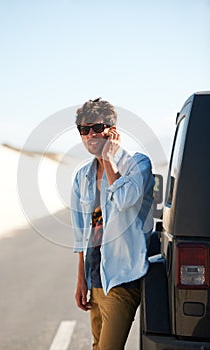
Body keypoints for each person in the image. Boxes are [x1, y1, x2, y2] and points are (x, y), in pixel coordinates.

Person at [71, 98, 155, 350]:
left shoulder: (138, 165)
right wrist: (80, 279)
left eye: (97, 128)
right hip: (94, 275)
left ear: (112, 129)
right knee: (98, 345)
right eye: (84, 130)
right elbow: (81, 233)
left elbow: (125, 199)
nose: (90, 135)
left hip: (122, 276)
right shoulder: (81, 176)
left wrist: (108, 157)